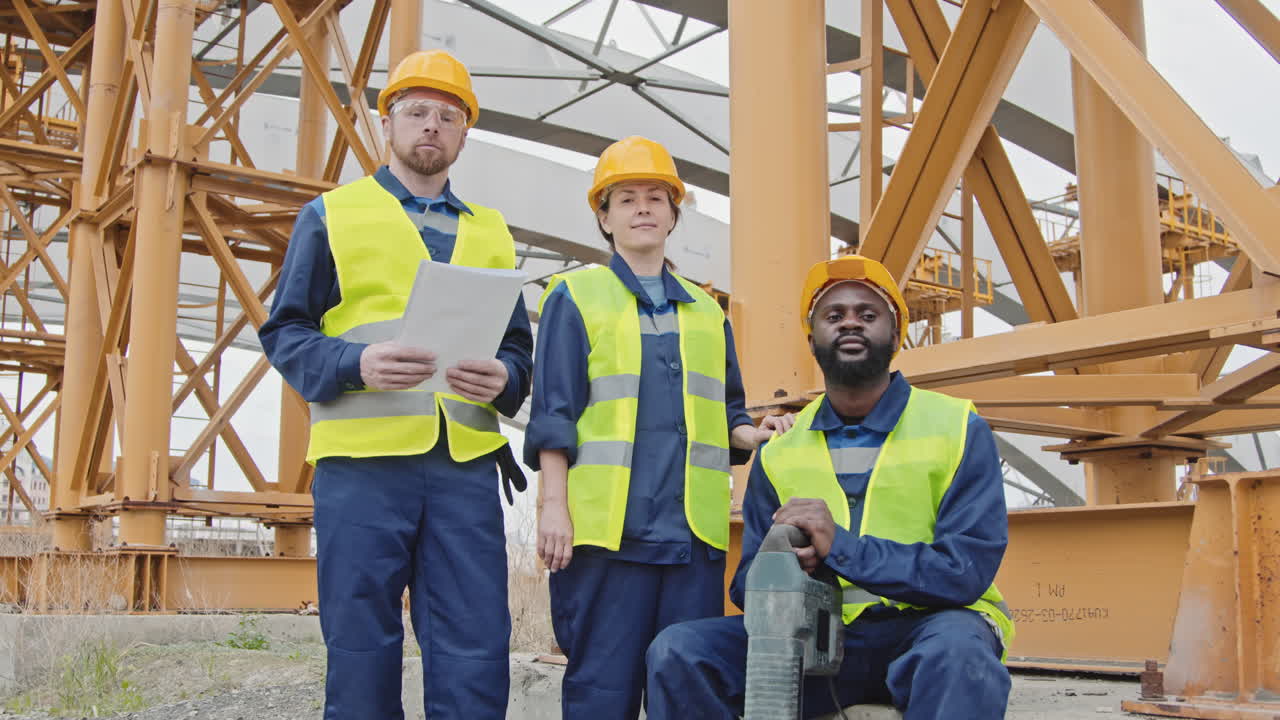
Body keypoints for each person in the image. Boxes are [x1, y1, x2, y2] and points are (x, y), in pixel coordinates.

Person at [258, 49, 532, 719]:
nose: (431, 126)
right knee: (361, 646)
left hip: (463, 470)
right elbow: (285, 334)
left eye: (448, 115)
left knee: (475, 646)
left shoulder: (490, 232)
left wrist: (504, 379)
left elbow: (518, 351)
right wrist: (358, 365)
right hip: (362, 467)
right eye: (416, 113)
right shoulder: (331, 216)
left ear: (464, 133)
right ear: (388, 125)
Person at [644, 255, 1015, 720]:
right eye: (834, 316)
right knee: (679, 652)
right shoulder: (779, 452)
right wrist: (789, 569)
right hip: (816, 639)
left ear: (895, 334)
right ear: (812, 339)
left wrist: (840, 547)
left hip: (932, 630)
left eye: (867, 314)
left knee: (960, 658)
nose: (850, 324)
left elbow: (965, 571)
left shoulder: (957, 427)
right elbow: (746, 586)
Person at [524, 136, 788, 720]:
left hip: (691, 539)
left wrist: (756, 433)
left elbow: (727, 417)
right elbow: (554, 412)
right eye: (626, 199)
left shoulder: (706, 312)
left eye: (656, 197)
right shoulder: (574, 296)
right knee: (601, 691)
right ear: (604, 216)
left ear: (674, 213)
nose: (642, 208)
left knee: (686, 689)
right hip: (605, 536)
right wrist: (553, 506)